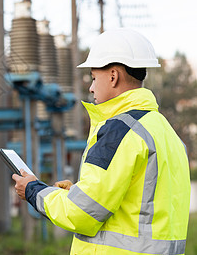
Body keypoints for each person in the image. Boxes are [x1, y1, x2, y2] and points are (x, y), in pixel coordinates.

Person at [12, 28, 191, 254]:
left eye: (94, 78)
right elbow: (141, 203)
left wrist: (33, 190)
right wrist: (78, 190)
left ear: (113, 76)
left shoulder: (120, 131)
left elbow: (80, 213)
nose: (91, 87)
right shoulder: (165, 131)